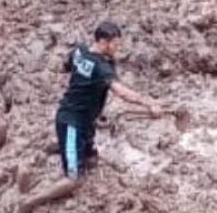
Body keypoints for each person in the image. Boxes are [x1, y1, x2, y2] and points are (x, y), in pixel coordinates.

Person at [56, 22, 165, 181]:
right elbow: (121, 92)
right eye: (114, 44)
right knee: (74, 179)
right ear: (102, 42)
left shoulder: (80, 51)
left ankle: (63, 145)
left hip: (86, 121)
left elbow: (64, 67)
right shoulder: (101, 67)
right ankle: (30, 203)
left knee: (90, 159)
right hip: (72, 121)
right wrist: (148, 102)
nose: (117, 48)